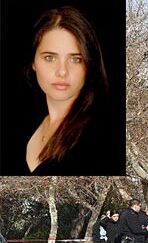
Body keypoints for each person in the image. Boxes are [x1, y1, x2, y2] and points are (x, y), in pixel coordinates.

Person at [2, 6, 115, 176]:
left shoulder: (102, 135)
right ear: (33, 62)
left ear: (89, 64)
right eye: (50, 58)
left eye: (76, 59)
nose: (62, 71)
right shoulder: (21, 123)